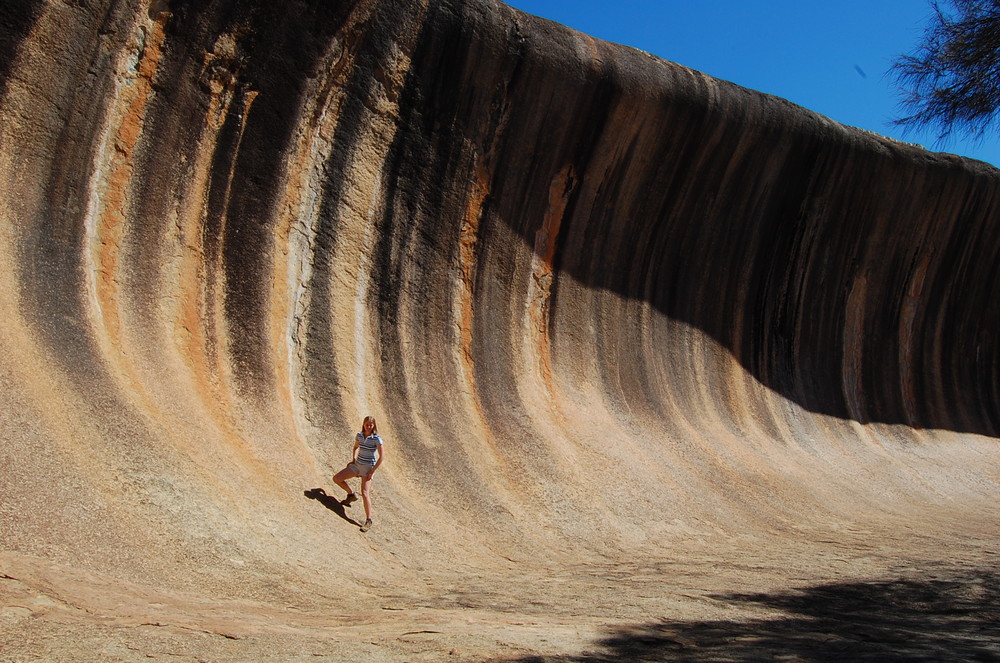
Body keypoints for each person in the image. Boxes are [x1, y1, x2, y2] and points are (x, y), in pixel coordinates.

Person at [332, 415, 384, 532]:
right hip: (357, 465)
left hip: (367, 468)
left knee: (365, 493)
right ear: (364, 424)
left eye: (371, 424)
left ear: (374, 426)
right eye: (367, 424)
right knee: (337, 478)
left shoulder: (377, 438)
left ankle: (368, 520)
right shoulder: (359, 435)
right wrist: (353, 459)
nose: (368, 426)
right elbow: (356, 447)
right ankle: (351, 495)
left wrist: (372, 470)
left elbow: (382, 457)